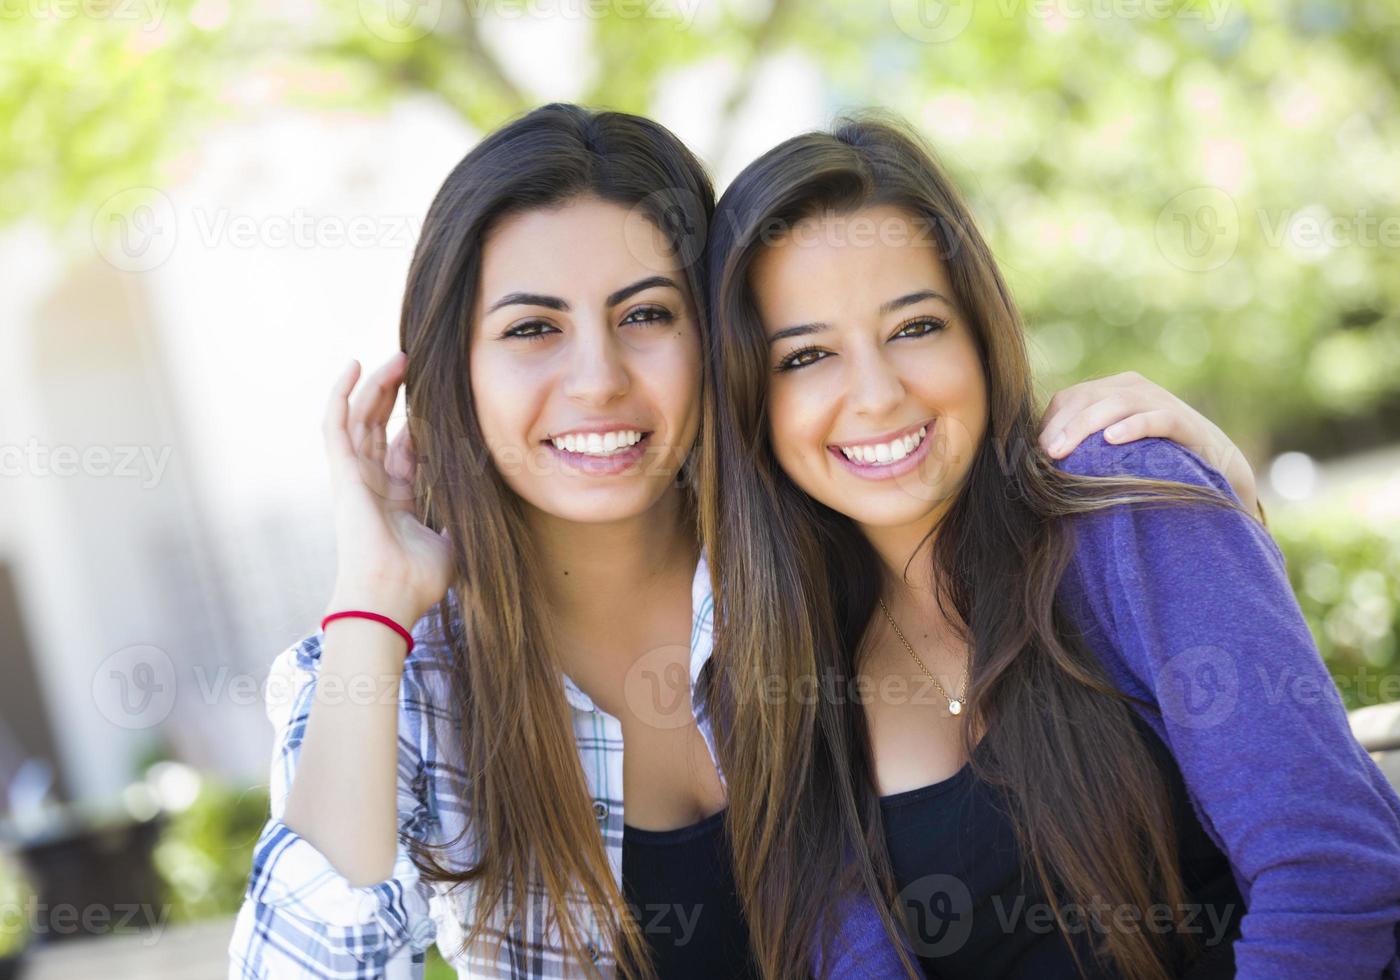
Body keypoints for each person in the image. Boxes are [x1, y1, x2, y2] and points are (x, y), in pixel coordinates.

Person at [227, 103, 1262, 979]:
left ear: (717, 335)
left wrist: (1219, 480)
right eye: (532, 328)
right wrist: (371, 598)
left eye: (646, 314)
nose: (596, 378)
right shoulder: (410, 677)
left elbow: (1148, 610)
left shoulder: (828, 545)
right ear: (453, 369)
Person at [701, 116, 1400, 979]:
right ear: (746, 399)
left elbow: (1333, 872)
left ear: (979, 331)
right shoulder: (765, 677)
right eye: (806, 356)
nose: (877, 395)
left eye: (915, 327)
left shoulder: (1116, 497)